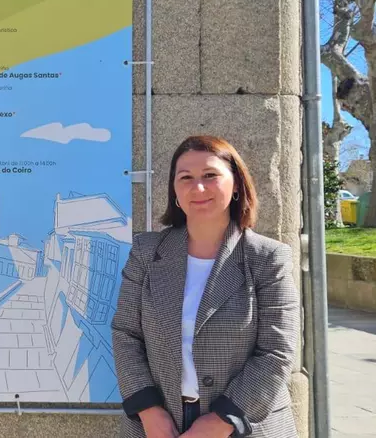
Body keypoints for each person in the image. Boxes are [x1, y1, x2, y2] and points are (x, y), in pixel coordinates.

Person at [112, 135, 300, 437]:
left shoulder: (267, 258)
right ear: (174, 189)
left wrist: (221, 420)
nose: (198, 188)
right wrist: (148, 410)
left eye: (210, 175)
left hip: (244, 424)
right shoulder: (146, 252)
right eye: (185, 177)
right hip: (158, 426)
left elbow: (276, 351)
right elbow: (126, 334)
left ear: (236, 184)